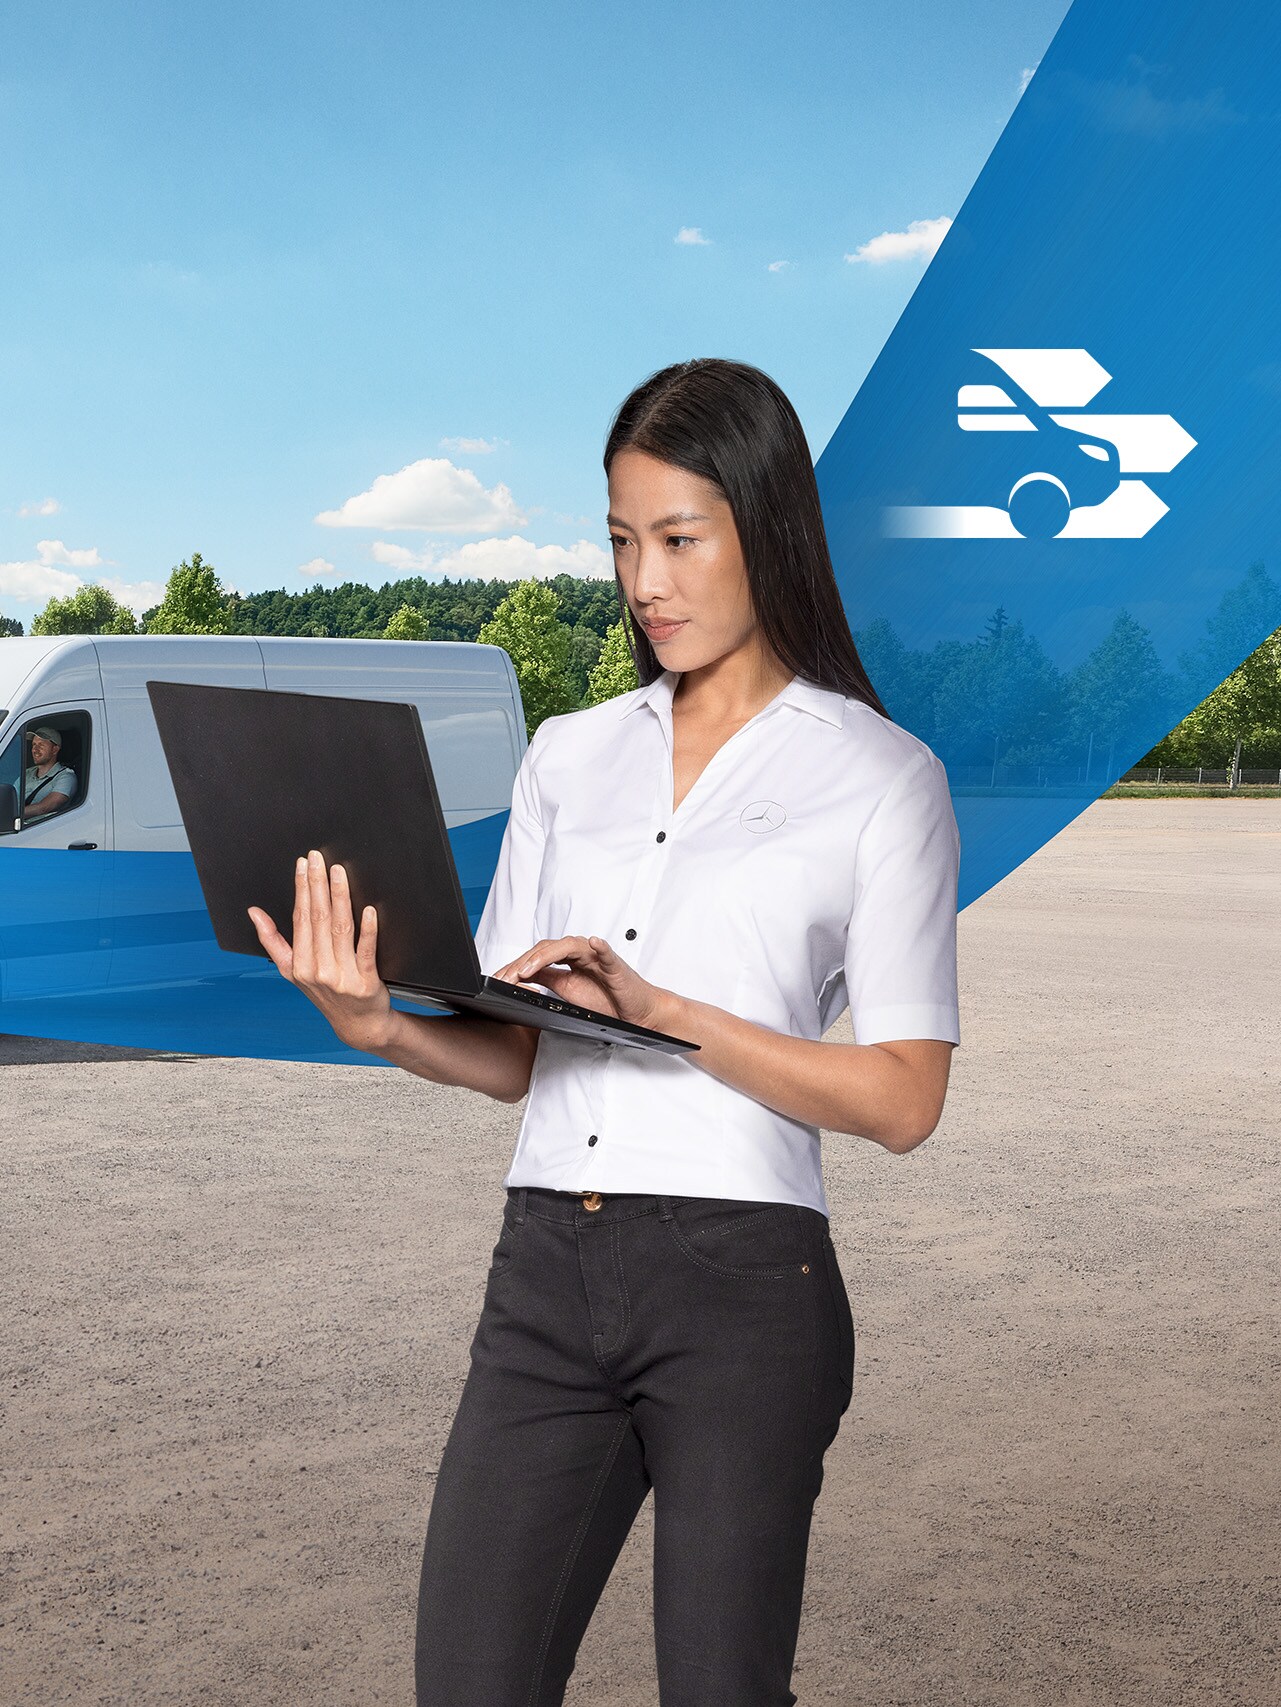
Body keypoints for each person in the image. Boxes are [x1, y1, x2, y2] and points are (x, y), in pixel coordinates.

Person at [248, 357, 961, 1706]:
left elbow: (904, 1096)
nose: (647, 578)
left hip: (745, 1285)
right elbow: (519, 1048)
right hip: (543, 1274)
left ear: (771, 529)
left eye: (680, 537)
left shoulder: (879, 775)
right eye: (624, 540)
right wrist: (377, 1023)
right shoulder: (567, 755)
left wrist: (668, 1011)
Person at [23, 725, 78, 819]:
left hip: (38, 830)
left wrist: (10, 815)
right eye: (34, 744)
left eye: (41, 745)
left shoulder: (66, 777)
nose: (35, 750)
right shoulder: (27, 773)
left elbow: (43, 808)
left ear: (54, 749)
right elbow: (9, 799)